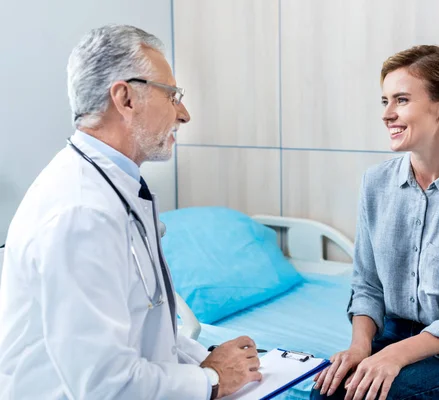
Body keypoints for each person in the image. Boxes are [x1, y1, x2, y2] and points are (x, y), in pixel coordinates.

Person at [0, 25, 261, 400]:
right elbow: (106, 386)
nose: (184, 114)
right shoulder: (80, 212)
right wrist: (213, 380)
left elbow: (143, 331)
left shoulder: (114, 188)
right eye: (172, 96)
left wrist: (210, 358)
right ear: (125, 98)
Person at [312, 45, 439, 400]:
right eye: (385, 101)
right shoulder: (374, 184)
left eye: (401, 100)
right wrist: (361, 347)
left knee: (384, 396)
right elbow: (368, 285)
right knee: (325, 393)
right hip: (391, 331)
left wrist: (393, 356)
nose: (387, 114)